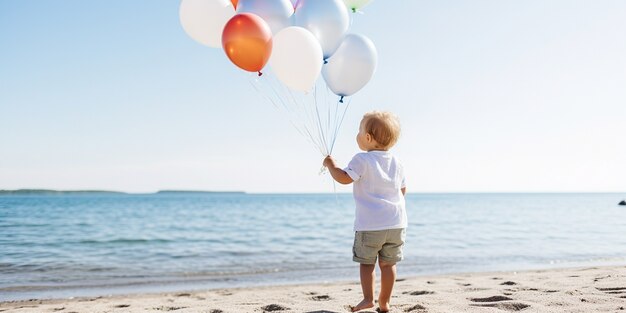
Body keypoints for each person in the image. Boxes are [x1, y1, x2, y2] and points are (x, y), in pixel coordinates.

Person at [323, 111, 407, 313]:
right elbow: (402, 190)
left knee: (367, 263)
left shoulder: (362, 159)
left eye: (359, 131)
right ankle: (385, 302)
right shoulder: (397, 162)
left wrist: (330, 164)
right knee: (388, 265)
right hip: (397, 223)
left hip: (371, 224)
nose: (357, 134)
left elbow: (344, 178)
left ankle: (368, 299)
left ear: (368, 138)